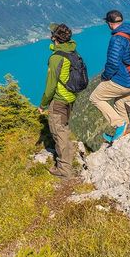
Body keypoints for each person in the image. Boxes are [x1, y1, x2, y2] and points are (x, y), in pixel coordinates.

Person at [89, 9, 130, 143]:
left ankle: (119, 125)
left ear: (109, 23)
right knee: (120, 103)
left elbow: (113, 63)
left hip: (123, 81)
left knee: (95, 98)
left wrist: (105, 77)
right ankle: (125, 135)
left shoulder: (117, 38)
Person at [38, 23, 78, 180]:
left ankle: (64, 170)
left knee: (58, 132)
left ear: (54, 37)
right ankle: (69, 158)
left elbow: (50, 86)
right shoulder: (72, 51)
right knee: (64, 128)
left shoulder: (56, 58)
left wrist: (43, 104)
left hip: (59, 100)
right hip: (70, 97)